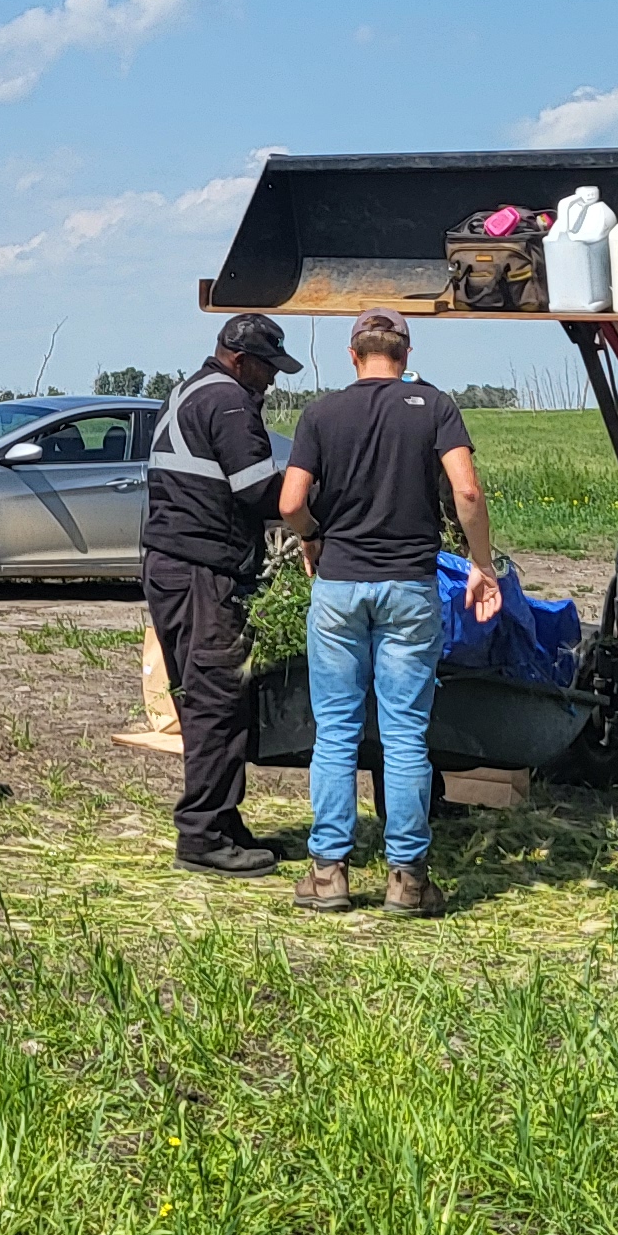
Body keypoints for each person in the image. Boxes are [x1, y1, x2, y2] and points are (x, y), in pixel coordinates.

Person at [274, 312, 502, 917]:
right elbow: (468, 491)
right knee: (404, 735)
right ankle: (407, 879)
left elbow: (291, 501)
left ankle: (329, 874)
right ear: (405, 353)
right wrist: (482, 564)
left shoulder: (321, 412)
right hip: (408, 587)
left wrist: (312, 537)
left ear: (354, 355)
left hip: (340, 586)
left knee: (336, 732)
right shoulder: (434, 406)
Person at [139, 313, 304, 874]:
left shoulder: (185, 392)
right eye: (267, 368)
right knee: (216, 701)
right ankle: (203, 834)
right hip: (204, 572)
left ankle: (224, 820)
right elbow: (259, 491)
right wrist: (313, 500)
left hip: (172, 567)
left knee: (205, 696)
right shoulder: (230, 402)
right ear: (239, 359)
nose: (272, 380)